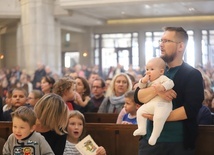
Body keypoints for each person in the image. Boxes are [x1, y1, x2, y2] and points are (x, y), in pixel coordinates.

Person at [134, 27, 204, 155]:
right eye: (161, 40)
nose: (161, 44)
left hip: (177, 142)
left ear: (180, 46)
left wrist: (158, 117)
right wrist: (157, 90)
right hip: (149, 141)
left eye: (166, 41)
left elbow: (191, 109)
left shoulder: (192, 74)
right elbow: (138, 96)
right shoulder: (155, 70)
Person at [133, 57, 174, 146]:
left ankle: (155, 135)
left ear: (161, 71)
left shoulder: (162, 78)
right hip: (151, 104)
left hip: (163, 104)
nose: (148, 72)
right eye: (147, 69)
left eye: (152, 69)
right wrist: (142, 81)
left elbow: (170, 83)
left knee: (159, 117)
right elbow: (141, 88)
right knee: (140, 111)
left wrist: (162, 87)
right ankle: (142, 128)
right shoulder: (148, 81)